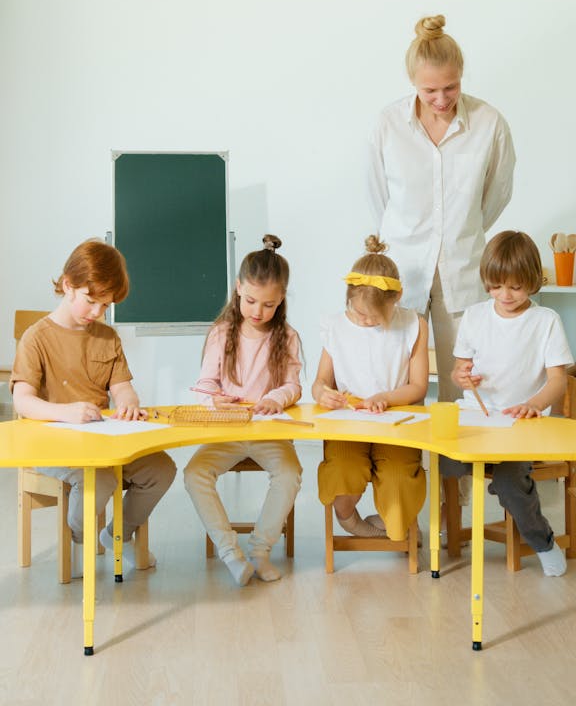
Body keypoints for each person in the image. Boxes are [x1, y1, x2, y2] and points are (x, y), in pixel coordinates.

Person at [369, 14, 516, 402]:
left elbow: (497, 193)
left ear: (462, 76)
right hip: (401, 269)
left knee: (464, 378)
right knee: (400, 378)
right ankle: (406, 463)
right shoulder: (388, 125)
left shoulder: (489, 123)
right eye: (429, 90)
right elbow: (378, 197)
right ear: (412, 82)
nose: (441, 99)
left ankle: (458, 465)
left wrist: (461, 227)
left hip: (464, 268)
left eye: (450, 87)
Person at [11, 239, 176, 575]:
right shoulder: (36, 337)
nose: (97, 312)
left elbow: (123, 388)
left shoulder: (107, 337)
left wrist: (129, 403)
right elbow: (22, 400)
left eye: (106, 305)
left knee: (162, 470)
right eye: (91, 301)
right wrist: (65, 412)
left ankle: (116, 536)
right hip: (55, 445)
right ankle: (79, 535)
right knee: (99, 480)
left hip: (105, 440)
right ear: (68, 285)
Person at [441, 230, 573, 576]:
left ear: (532, 282)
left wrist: (533, 404)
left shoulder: (545, 321)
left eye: (515, 287)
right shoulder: (475, 315)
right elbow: (459, 369)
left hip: (524, 424)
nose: (505, 295)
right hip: (478, 415)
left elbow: (558, 380)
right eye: (496, 286)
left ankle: (543, 542)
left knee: (510, 479)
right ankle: (444, 534)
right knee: (442, 460)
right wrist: (462, 378)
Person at [184, 234, 303, 586]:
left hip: (268, 431)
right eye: (250, 301)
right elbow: (205, 384)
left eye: (268, 305)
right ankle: (230, 552)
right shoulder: (222, 333)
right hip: (227, 430)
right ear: (238, 288)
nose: (257, 311)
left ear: (281, 299)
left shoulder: (288, 336)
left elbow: (293, 385)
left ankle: (260, 550)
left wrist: (275, 399)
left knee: (290, 473)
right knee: (194, 474)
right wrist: (213, 400)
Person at [312, 236, 428, 541]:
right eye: (357, 311)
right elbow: (320, 381)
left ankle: (396, 526)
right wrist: (322, 392)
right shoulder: (336, 325)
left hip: (397, 419)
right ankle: (353, 523)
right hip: (350, 420)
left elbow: (418, 387)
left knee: (399, 477)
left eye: (372, 316)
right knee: (342, 470)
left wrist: (386, 398)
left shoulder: (413, 324)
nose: (363, 320)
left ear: (397, 298)